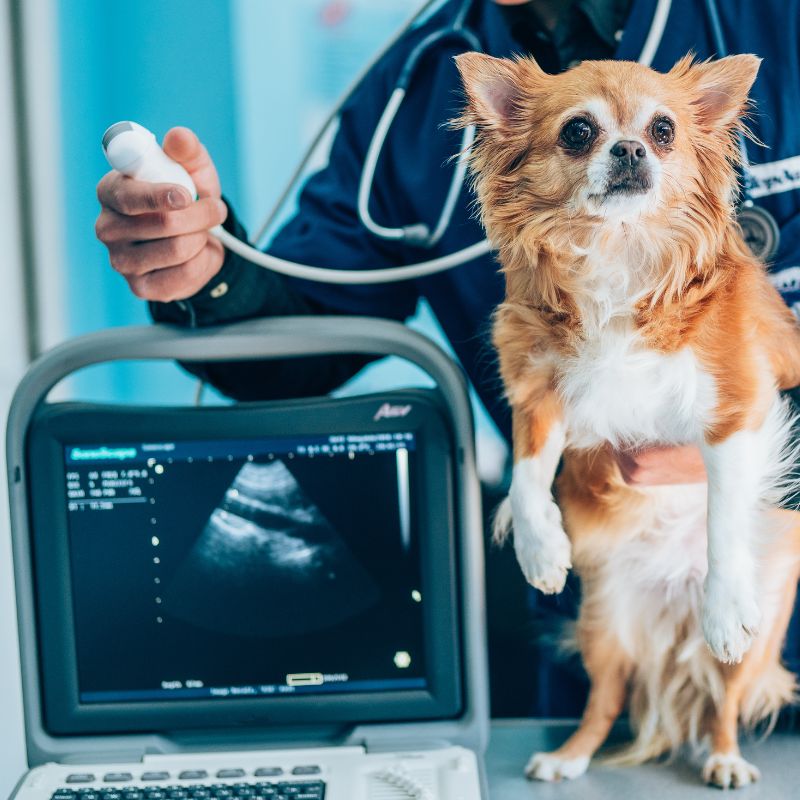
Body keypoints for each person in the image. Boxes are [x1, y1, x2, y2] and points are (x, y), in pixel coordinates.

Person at [95, 0, 800, 715]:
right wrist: (207, 271)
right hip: (613, 621)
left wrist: (777, 444)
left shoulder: (767, 26)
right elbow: (294, 343)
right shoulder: (417, 88)